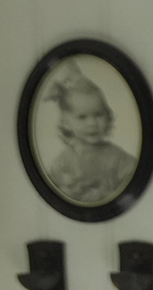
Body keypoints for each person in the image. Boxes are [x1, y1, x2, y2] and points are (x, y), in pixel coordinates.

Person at [42, 62, 136, 204]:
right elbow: (50, 192)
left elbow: (132, 188)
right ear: (66, 122)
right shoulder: (62, 162)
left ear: (108, 115)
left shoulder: (118, 159)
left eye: (98, 115)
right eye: (82, 117)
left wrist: (105, 194)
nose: (92, 123)